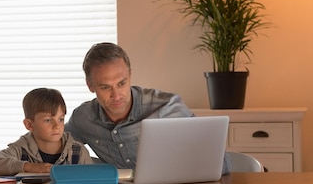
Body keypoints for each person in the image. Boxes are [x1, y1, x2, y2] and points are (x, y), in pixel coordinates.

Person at [65, 42, 230, 173]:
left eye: (121, 83)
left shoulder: (167, 107)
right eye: (105, 87)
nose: (116, 95)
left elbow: (217, 160)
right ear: (90, 85)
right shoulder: (83, 118)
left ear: (130, 76)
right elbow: (53, 148)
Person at [0, 88, 93, 176]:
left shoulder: (78, 152)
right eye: (48, 120)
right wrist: (28, 167)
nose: (56, 126)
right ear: (29, 125)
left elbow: (93, 183)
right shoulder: (21, 149)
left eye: (60, 119)